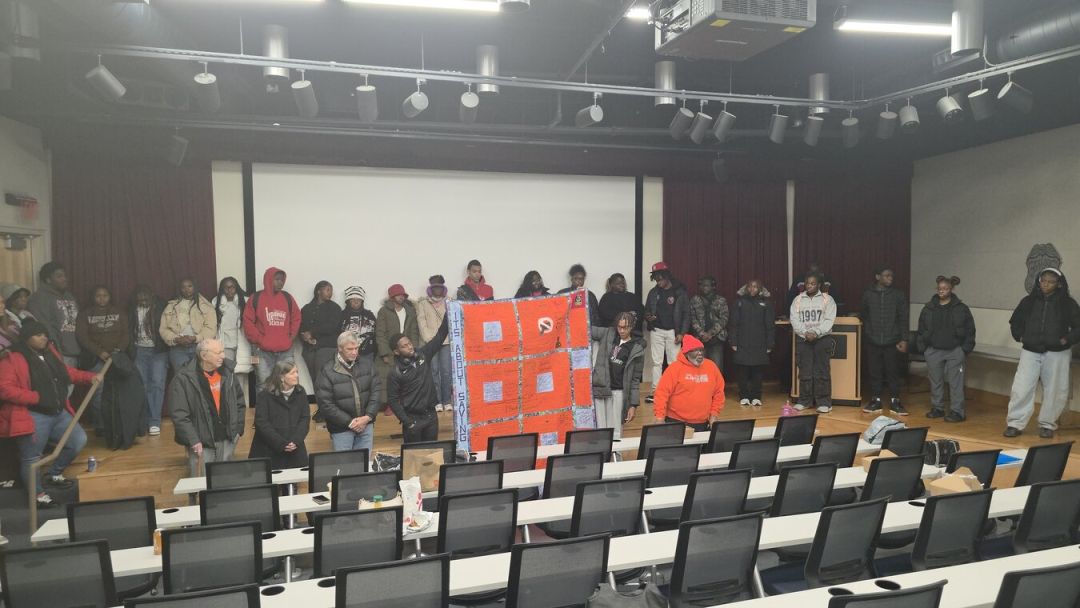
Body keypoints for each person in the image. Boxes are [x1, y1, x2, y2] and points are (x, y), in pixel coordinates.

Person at [0, 319, 100, 507]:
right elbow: (5, 389)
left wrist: (88, 377)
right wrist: (36, 397)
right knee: (32, 459)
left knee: (77, 441)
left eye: (45, 334)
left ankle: (54, 473)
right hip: (32, 415)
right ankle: (38, 496)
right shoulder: (12, 358)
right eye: (38, 335)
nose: (44, 338)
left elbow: (66, 373)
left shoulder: (49, 352)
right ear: (27, 337)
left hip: (58, 412)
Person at [1003, 268, 1080, 438]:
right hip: (1030, 350)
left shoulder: (1068, 304)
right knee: (1021, 388)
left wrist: (1066, 340)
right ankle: (1015, 423)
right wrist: (1020, 336)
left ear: (1059, 284)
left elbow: (1078, 327)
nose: (1046, 284)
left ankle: (1047, 424)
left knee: (1055, 389)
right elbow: (1015, 321)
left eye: (1051, 281)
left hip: (1057, 352)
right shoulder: (1028, 301)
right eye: (1043, 280)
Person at [169, 338, 247, 476]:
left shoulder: (228, 372)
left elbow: (239, 402)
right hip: (201, 443)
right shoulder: (183, 378)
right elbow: (180, 414)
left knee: (225, 480)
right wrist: (193, 440)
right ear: (204, 355)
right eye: (218, 353)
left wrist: (237, 430)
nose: (223, 356)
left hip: (227, 439)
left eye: (223, 351)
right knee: (202, 483)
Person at [916, 276, 976, 422]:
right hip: (933, 350)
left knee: (956, 383)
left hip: (955, 350)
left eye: (945, 288)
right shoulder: (928, 308)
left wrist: (964, 349)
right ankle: (938, 408)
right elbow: (921, 329)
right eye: (939, 288)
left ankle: (957, 412)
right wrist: (924, 348)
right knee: (935, 381)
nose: (942, 291)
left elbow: (970, 330)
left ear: (951, 289)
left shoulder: (961, 308)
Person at [316, 332, 382, 453]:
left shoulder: (368, 364)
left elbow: (376, 392)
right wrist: (350, 422)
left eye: (356, 348)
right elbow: (325, 403)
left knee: (364, 462)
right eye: (350, 349)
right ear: (340, 349)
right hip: (341, 428)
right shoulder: (327, 370)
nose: (354, 352)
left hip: (366, 424)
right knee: (344, 463)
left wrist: (368, 417)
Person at [387, 316, 449, 443]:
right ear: (396, 352)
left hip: (431, 415)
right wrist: (407, 422)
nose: (410, 347)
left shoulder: (423, 354)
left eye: (409, 343)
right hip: (413, 419)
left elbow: (439, 336)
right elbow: (392, 401)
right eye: (404, 346)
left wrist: (448, 314)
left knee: (431, 452)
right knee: (413, 454)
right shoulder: (394, 372)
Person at [76, 285, 129, 434]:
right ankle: (100, 425)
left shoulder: (119, 312)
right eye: (98, 296)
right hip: (96, 359)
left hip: (117, 358)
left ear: (110, 296)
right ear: (93, 297)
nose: (102, 298)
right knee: (98, 392)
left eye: (105, 295)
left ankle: (118, 424)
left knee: (119, 391)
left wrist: (117, 351)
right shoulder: (85, 314)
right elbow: (82, 337)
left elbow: (126, 334)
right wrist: (100, 352)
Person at [859, 267, 909, 415]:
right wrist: (868, 332)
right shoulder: (868, 294)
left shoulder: (898, 295)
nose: (890, 278)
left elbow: (903, 318)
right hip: (872, 340)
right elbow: (864, 314)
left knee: (893, 372)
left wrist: (904, 339)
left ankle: (895, 401)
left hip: (893, 340)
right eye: (887, 275)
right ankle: (876, 400)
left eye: (891, 276)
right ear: (877, 277)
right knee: (874, 372)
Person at [651, 335, 725, 432]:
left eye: (701, 350)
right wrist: (660, 417)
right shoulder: (674, 368)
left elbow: (719, 392)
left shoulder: (711, 366)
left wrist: (714, 414)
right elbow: (661, 393)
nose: (700, 354)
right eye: (695, 350)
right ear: (686, 353)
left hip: (702, 423)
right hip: (676, 422)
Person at [243, 267, 301, 386]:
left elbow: (296, 318)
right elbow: (247, 322)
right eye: (277, 279)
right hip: (262, 351)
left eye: (282, 280)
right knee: (264, 384)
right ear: (269, 279)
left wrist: (290, 337)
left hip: (285, 350)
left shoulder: (287, 298)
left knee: (290, 382)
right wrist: (260, 340)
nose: (280, 283)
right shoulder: (256, 298)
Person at [591, 312, 644, 439]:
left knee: (616, 433)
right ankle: (603, 452)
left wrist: (633, 405)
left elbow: (635, 380)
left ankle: (616, 452)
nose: (622, 330)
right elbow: (586, 329)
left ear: (632, 327)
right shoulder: (608, 333)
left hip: (619, 392)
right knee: (601, 431)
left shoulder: (637, 348)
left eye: (625, 327)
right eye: (619, 327)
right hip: (601, 388)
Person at [249, 360, 310, 468]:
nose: (297, 375)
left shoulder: (301, 392)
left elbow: (304, 418)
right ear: (281, 377)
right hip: (269, 449)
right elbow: (262, 423)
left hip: (294, 449)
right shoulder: (265, 395)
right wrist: (281, 443)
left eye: (297, 372)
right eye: (292, 373)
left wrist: (296, 441)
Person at [790, 273, 837, 413]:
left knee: (822, 371)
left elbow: (829, 320)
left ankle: (824, 402)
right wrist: (805, 333)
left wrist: (816, 333)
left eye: (813, 283)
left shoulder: (828, 299)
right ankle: (805, 401)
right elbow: (794, 319)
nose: (809, 286)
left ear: (819, 285)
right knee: (805, 371)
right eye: (807, 283)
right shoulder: (798, 299)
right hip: (803, 339)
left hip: (822, 339)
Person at [643, 262, 689, 403]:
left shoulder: (679, 292)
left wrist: (682, 333)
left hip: (673, 332)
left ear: (666, 276)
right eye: (656, 279)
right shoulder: (653, 292)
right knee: (656, 362)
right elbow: (646, 311)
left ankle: (674, 392)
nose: (658, 282)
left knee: (673, 363)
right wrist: (649, 317)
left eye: (660, 279)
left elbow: (686, 314)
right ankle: (656, 392)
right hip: (656, 330)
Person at [128, 285, 168, 436]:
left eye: (146, 298)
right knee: (142, 386)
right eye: (140, 299)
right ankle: (143, 420)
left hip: (158, 351)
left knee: (157, 385)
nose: (143, 301)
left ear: (152, 296)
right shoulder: (131, 309)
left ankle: (154, 421)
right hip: (139, 350)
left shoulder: (161, 307)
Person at [730, 279, 775, 407]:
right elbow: (733, 323)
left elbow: (770, 325)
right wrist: (733, 341)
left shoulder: (766, 303)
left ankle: (756, 396)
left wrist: (770, 343)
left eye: (755, 287)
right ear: (746, 288)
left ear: (760, 289)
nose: (752, 289)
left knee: (757, 371)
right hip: (742, 342)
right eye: (750, 286)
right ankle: (744, 396)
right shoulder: (739, 302)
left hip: (760, 343)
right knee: (742, 371)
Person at [27, 262, 80, 368]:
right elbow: (44, 326)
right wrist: (56, 351)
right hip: (58, 353)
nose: (64, 279)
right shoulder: (39, 298)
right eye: (59, 276)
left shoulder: (69, 296)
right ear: (48, 280)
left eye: (64, 275)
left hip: (75, 351)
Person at [160, 278, 217, 373]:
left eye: (190, 286)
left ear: (195, 287)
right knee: (182, 377)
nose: (187, 290)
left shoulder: (206, 306)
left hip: (200, 347)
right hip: (178, 349)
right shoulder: (171, 306)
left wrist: (195, 338)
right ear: (180, 289)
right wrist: (176, 339)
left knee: (201, 376)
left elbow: (211, 329)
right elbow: (164, 329)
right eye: (183, 287)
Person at [375, 284, 419, 403]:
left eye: (403, 295)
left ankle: (405, 402)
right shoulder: (384, 311)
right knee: (388, 378)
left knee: (406, 376)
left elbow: (414, 332)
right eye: (398, 295)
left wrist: (413, 349)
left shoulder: (410, 311)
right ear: (391, 297)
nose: (401, 297)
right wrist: (384, 353)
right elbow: (380, 333)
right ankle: (390, 404)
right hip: (389, 350)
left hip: (405, 349)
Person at [416, 275, 452, 412]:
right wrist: (429, 339)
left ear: (443, 288)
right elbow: (421, 322)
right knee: (433, 371)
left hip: (446, 341)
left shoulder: (450, 302)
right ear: (430, 288)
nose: (437, 290)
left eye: (439, 287)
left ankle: (447, 400)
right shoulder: (423, 304)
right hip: (430, 342)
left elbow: (452, 321)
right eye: (434, 287)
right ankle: (437, 401)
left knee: (446, 371)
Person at [300, 280, 342, 387]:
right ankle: (319, 398)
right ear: (319, 291)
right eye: (328, 290)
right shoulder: (307, 308)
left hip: (326, 348)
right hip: (309, 349)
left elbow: (332, 327)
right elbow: (301, 326)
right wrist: (305, 337)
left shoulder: (334, 308)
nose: (330, 293)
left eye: (331, 291)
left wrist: (312, 332)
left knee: (324, 379)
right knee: (314, 380)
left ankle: (325, 398)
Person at [689, 276, 729, 374]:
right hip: (699, 339)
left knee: (716, 369)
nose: (703, 287)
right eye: (701, 285)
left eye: (706, 285)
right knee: (699, 369)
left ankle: (715, 385)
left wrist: (710, 333)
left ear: (713, 286)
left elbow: (724, 319)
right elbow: (692, 318)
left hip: (716, 339)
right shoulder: (694, 300)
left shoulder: (721, 300)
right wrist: (702, 333)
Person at [213, 277, 246, 365]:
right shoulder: (216, 302)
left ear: (236, 288)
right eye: (226, 287)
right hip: (225, 343)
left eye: (232, 287)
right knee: (227, 368)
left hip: (241, 341)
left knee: (242, 368)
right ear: (222, 289)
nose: (229, 290)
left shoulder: (245, 301)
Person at [340, 286, 377, 358]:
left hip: (367, 354)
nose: (356, 302)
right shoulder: (342, 315)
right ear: (348, 301)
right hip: (346, 353)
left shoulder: (369, 315)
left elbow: (375, 333)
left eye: (358, 300)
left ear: (362, 301)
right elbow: (338, 335)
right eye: (353, 300)